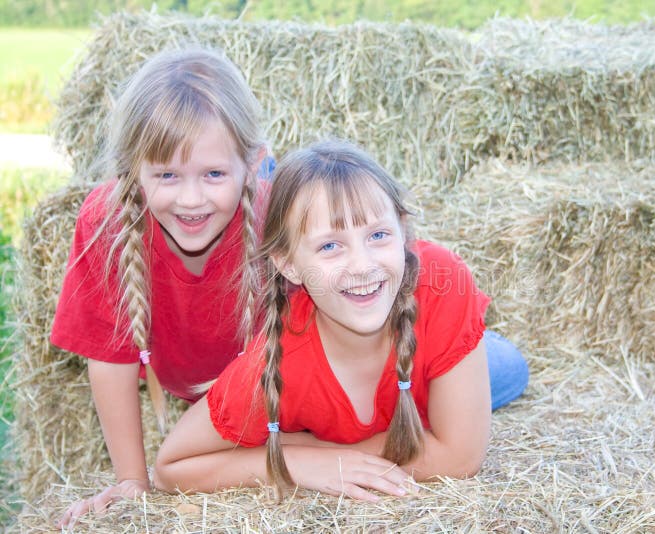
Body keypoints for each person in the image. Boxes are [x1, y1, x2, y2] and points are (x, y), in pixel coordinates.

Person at [153, 140, 526, 501]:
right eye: (330, 246)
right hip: (387, 378)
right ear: (288, 264)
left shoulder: (447, 282)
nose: (362, 266)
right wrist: (299, 460)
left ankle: (478, 344)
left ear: (402, 233)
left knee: (511, 368)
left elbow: (460, 457)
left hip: (430, 353)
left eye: (378, 235)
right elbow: (171, 467)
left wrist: (341, 448)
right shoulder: (278, 362)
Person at [50, 47, 269, 525]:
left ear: (254, 163)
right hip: (207, 394)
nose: (191, 200)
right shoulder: (105, 221)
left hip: (276, 390)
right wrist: (132, 480)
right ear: (133, 170)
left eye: (214, 174)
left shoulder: (282, 214)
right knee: (175, 464)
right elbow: (111, 357)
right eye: (167, 175)